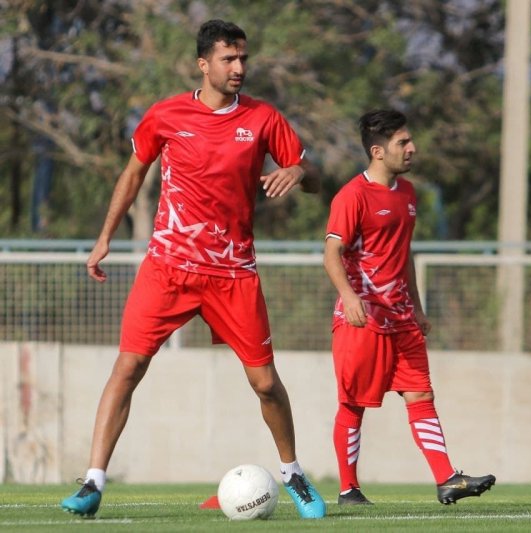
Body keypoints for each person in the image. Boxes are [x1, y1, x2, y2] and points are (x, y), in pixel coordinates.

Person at [60, 20, 326, 519]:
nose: (239, 67)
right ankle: (93, 481)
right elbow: (133, 174)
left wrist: (298, 170)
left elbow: (315, 178)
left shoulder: (264, 118)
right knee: (128, 368)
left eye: (243, 58)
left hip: (233, 274)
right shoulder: (165, 114)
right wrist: (104, 237)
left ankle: (293, 474)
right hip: (168, 268)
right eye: (229, 59)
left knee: (265, 383)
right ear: (203, 64)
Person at [323, 109, 496, 506]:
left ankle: (447, 479)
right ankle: (349, 490)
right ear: (377, 151)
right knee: (353, 403)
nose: (412, 148)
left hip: (401, 318)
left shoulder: (408, 193)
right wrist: (349, 296)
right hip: (363, 319)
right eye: (403, 142)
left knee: (420, 395)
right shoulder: (353, 196)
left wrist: (416, 306)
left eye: (410, 140)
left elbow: (404, 254)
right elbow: (331, 253)